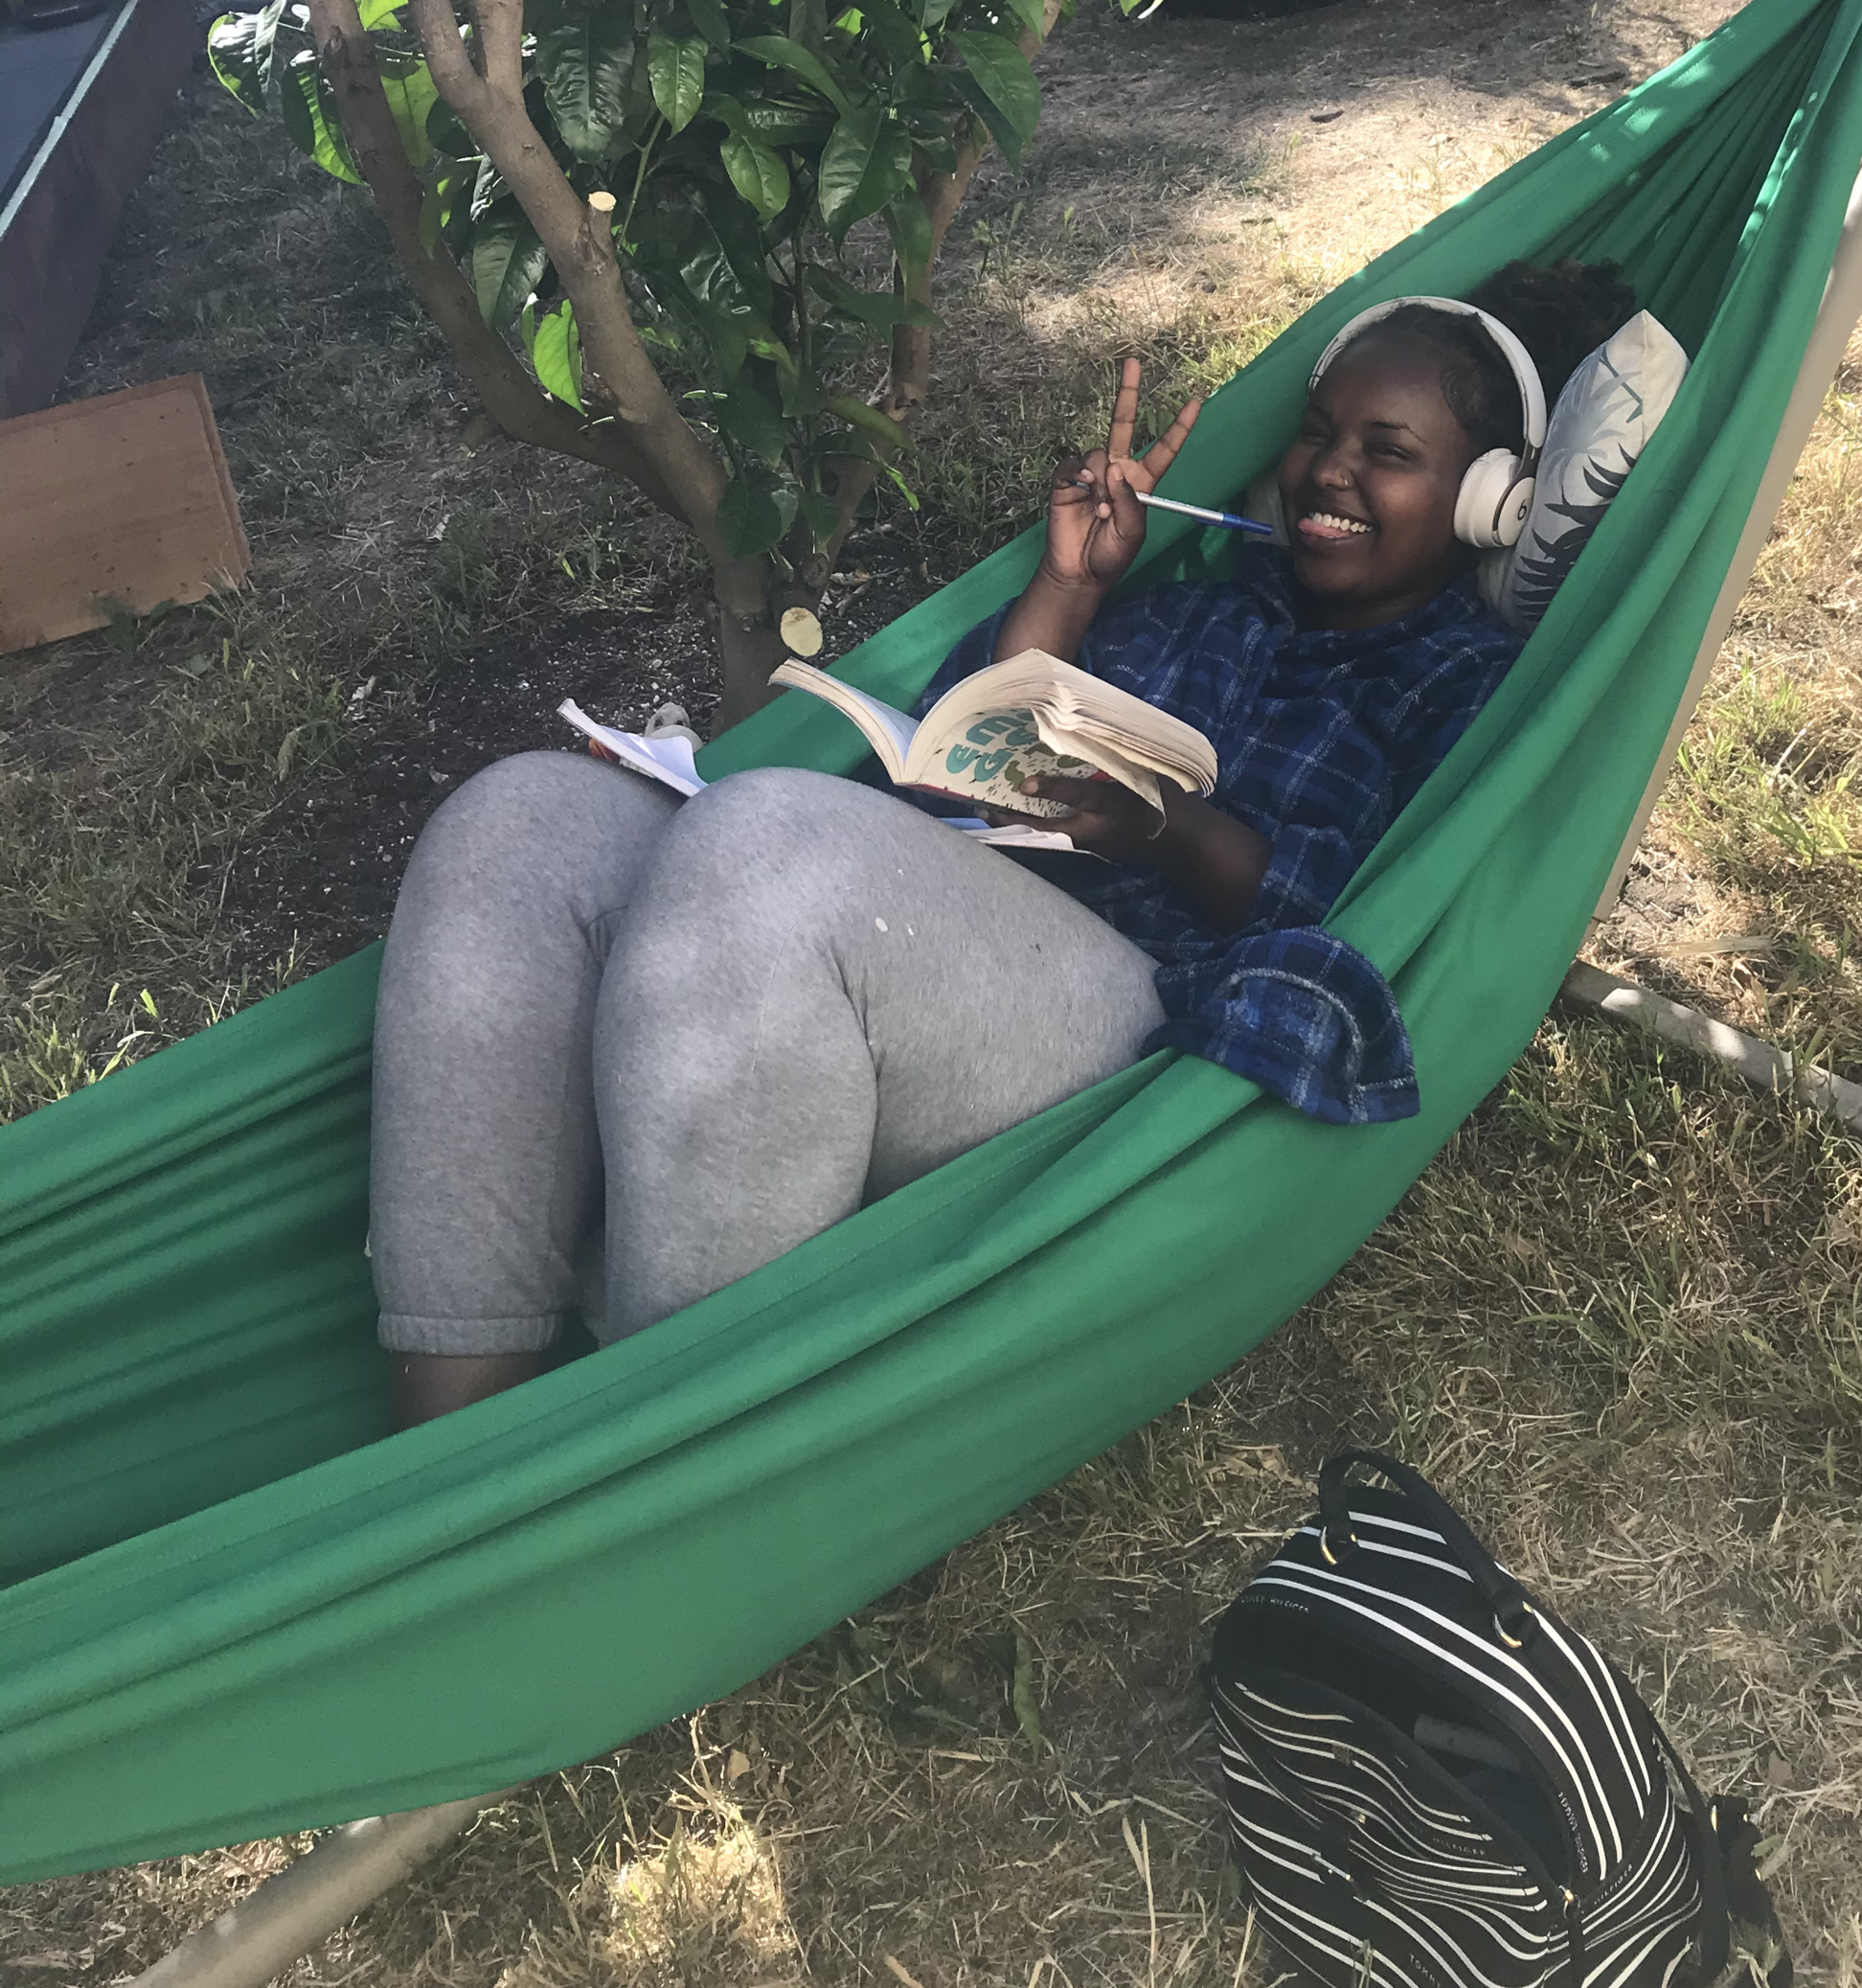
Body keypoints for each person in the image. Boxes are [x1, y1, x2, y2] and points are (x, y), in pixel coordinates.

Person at [369, 258, 1635, 1428]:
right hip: (954, 935)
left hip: (1145, 1026)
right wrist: (1075, 586)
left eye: (1390, 451)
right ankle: (454, 1435)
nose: (1330, 472)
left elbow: (1386, 925)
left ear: (1485, 504)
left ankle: (651, 1452)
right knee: (519, 819)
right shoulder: (1207, 602)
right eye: (1318, 434)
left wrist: (1174, 835)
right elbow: (982, 732)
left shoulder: (1462, 684)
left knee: (770, 845)